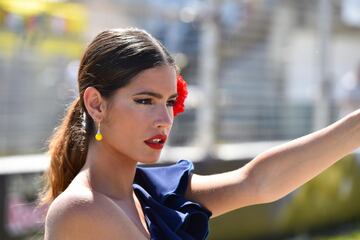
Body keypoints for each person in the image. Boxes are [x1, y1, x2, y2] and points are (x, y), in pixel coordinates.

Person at [40, 28, 360, 240]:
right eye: (144, 101)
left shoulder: (148, 192)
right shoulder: (82, 208)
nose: (165, 119)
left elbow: (256, 181)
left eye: (169, 102)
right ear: (96, 104)